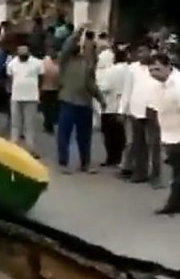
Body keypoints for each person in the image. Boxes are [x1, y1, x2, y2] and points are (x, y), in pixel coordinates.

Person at [57, 27, 105, 174]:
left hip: (85, 103)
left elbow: (90, 84)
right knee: (64, 134)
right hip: (68, 101)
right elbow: (67, 46)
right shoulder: (67, 60)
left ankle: (85, 163)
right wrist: (79, 31)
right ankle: (63, 163)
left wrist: (100, 98)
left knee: (85, 137)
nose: (90, 48)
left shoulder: (89, 64)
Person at [118, 42, 162, 185]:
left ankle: (156, 176)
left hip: (154, 110)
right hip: (136, 110)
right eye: (139, 52)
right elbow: (126, 90)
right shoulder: (132, 69)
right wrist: (122, 111)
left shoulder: (158, 67)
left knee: (154, 144)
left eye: (144, 51)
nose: (141, 55)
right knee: (138, 144)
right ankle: (140, 173)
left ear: (151, 52)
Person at [148, 53, 180, 215]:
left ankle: (172, 205)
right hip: (169, 136)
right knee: (176, 172)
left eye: (157, 69)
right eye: (151, 70)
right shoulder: (160, 85)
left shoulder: (178, 85)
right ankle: (174, 204)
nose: (154, 73)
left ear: (168, 66)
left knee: (177, 175)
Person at [7, 44, 44, 156]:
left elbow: (41, 78)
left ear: (29, 54)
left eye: (25, 55)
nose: (23, 57)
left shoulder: (37, 63)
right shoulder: (12, 63)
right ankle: (14, 146)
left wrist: (39, 92)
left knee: (30, 124)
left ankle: (30, 148)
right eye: (21, 55)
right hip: (16, 96)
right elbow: (10, 78)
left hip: (31, 97)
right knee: (15, 123)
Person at [97, 48, 128, 168]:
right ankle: (120, 158)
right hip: (122, 106)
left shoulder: (111, 71)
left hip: (109, 105)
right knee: (120, 134)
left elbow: (105, 87)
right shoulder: (129, 70)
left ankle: (111, 158)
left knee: (109, 135)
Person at [40, 48, 61, 134]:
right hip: (54, 89)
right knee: (52, 108)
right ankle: (50, 124)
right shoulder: (58, 66)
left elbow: (40, 75)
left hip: (45, 89)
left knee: (46, 108)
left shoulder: (44, 62)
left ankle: (47, 124)